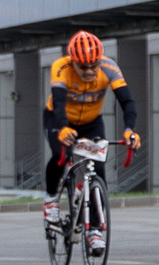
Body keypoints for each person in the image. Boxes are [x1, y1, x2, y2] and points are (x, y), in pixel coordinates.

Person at [44, 31, 140, 241]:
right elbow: (59, 104)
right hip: (59, 118)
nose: (89, 71)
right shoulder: (61, 67)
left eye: (93, 65)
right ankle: (51, 199)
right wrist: (62, 128)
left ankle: (95, 228)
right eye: (83, 66)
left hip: (91, 121)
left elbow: (127, 102)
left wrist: (130, 129)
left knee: (98, 170)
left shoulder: (109, 67)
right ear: (73, 62)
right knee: (59, 156)